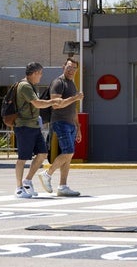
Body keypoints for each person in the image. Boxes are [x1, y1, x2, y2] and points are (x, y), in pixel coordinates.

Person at [13, 62, 62, 198]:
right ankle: (18, 188)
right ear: (34, 73)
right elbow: (37, 103)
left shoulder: (32, 86)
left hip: (34, 126)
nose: (41, 76)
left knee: (42, 154)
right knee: (22, 158)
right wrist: (53, 102)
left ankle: (27, 180)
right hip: (24, 126)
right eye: (40, 73)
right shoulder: (25, 86)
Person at [39, 58, 84, 196]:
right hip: (60, 122)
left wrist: (78, 127)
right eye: (69, 67)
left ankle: (62, 186)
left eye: (74, 68)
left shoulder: (71, 84)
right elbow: (56, 104)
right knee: (69, 152)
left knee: (68, 156)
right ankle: (47, 173)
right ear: (63, 66)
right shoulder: (58, 83)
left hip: (70, 123)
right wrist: (75, 98)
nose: (71, 70)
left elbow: (73, 108)